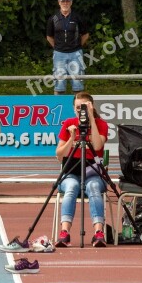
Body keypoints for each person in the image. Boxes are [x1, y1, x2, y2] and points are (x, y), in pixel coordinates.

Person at [55, 91, 109, 248]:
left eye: (84, 107)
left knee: (92, 187)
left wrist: (91, 118)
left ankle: (99, 232)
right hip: (71, 172)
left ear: (91, 107)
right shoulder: (68, 124)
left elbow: (98, 146)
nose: (81, 111)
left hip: (93, 173)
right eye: (78, 108)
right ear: (73, 109)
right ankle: (64, 232)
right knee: (72, 186)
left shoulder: (101, 124)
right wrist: (72, 137)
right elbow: (59, 155)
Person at [46, 0, 89, 95]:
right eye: (63, 1)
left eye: (67, 1)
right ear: (59, 2)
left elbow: (85, 34)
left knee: (77, 82)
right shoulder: (53, 18)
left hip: (76, 53)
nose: (65, 3)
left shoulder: (77, 17)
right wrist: (57, 47)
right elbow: (49, 36)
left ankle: (78, 107)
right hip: (59, 54)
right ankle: (59, 107)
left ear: (71, 2)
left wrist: (77, 46)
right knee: (59, 84)